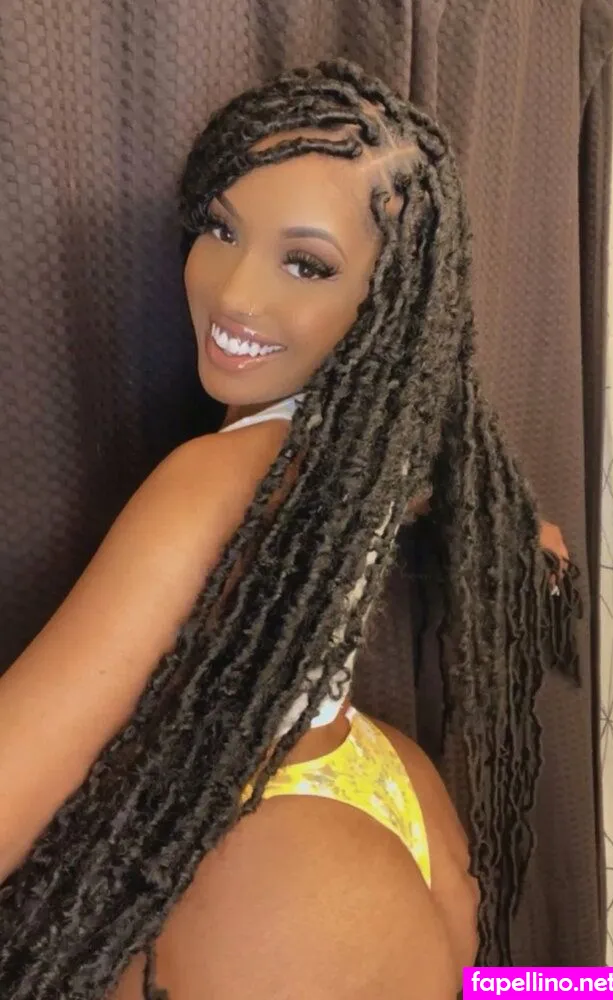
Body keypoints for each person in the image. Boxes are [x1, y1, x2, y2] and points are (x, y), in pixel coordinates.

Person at [0, 61, 578, 998]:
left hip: (279, 875)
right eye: (222, 229)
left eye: (305, 264)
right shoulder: (365, 437)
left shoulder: (212, 482)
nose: (234, 294)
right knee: (520, 988)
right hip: (389, 801)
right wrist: (522, 534)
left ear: (388, 299)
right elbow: (454, 497)